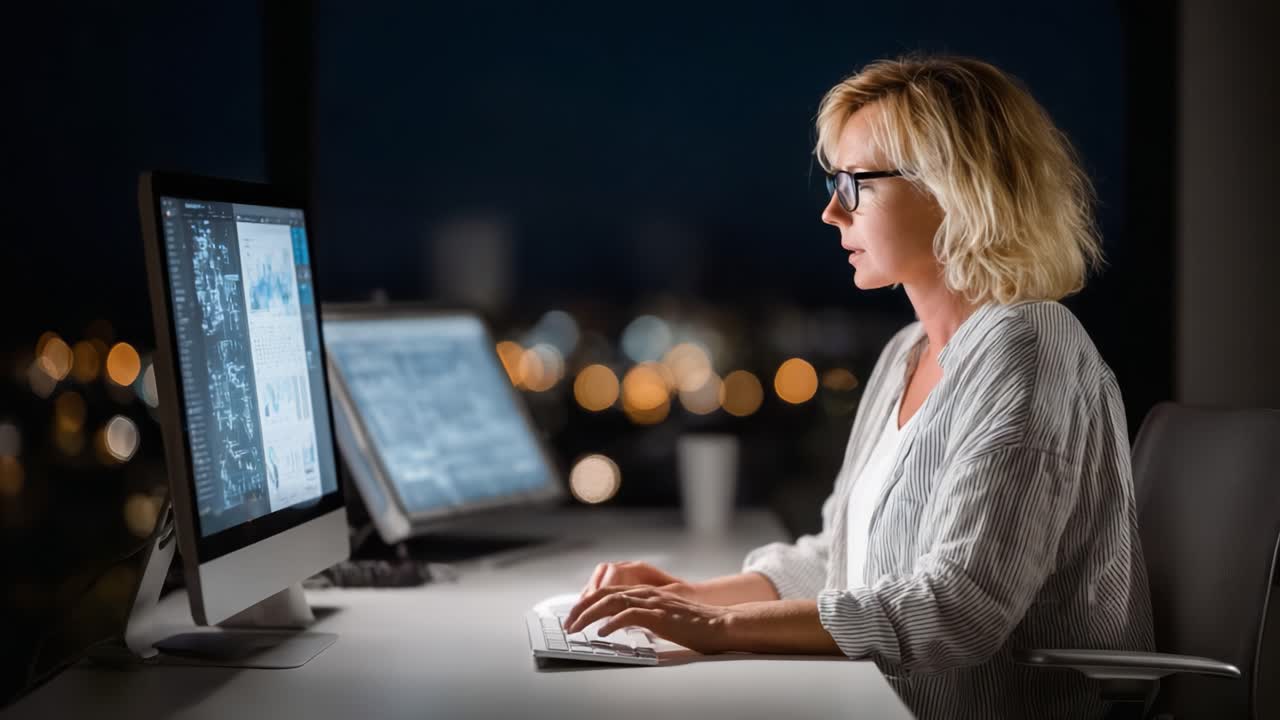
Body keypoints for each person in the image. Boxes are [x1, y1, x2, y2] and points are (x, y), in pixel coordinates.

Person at [564, 55, 1155, 719]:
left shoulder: (1031, 345)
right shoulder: (908, 353)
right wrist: (693, 598)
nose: (829, 213)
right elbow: (841, 559)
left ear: (951, 188)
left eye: (853, 184)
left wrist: (717, 629)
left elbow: (960, 611)